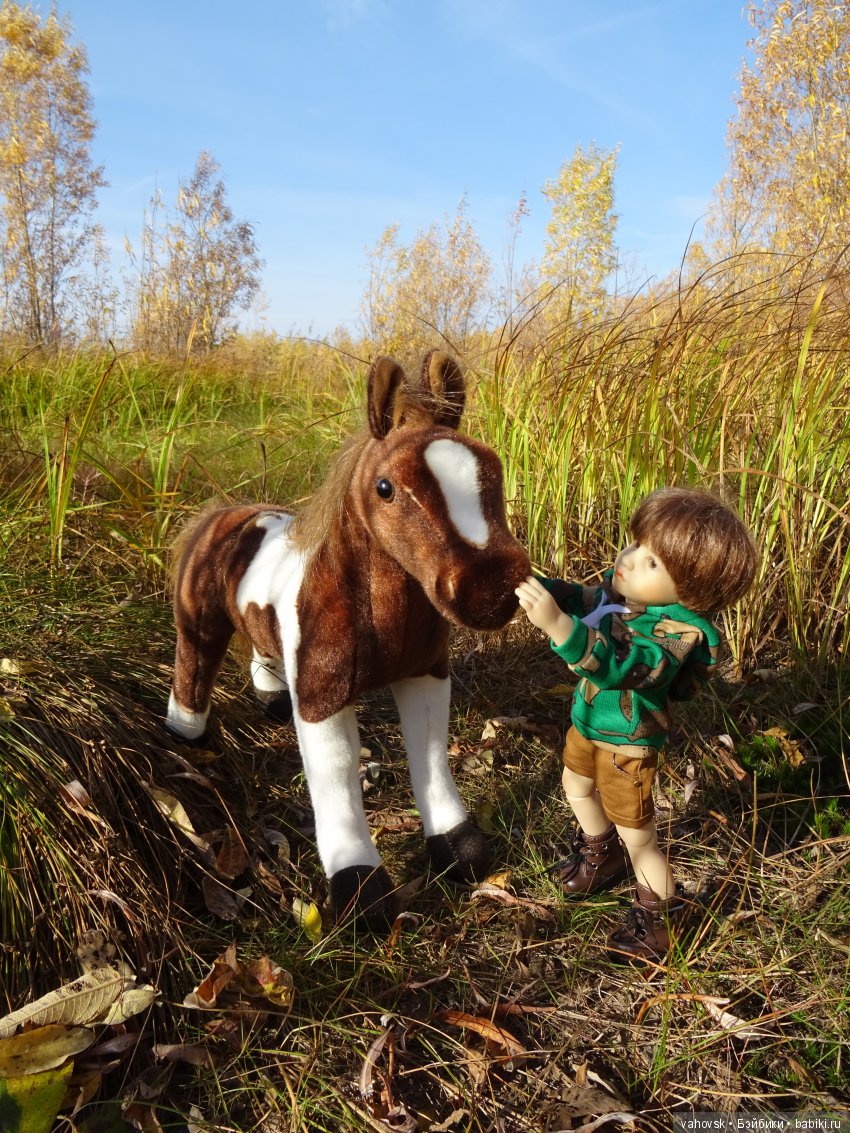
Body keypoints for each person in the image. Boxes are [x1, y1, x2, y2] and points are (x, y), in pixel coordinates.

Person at [515, 487, 757, 963]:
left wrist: (559, 627)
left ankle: (664, 914)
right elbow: (581, 598)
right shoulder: (619, 596)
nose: (629, 560)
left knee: (639, 833)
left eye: (652, 563)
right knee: (575, 785)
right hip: (586, 723)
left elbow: (625, 664)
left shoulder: (676, 636)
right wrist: (534, 584)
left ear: (691, 590)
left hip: (629, 744)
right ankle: (600, 856)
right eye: (636, 546)